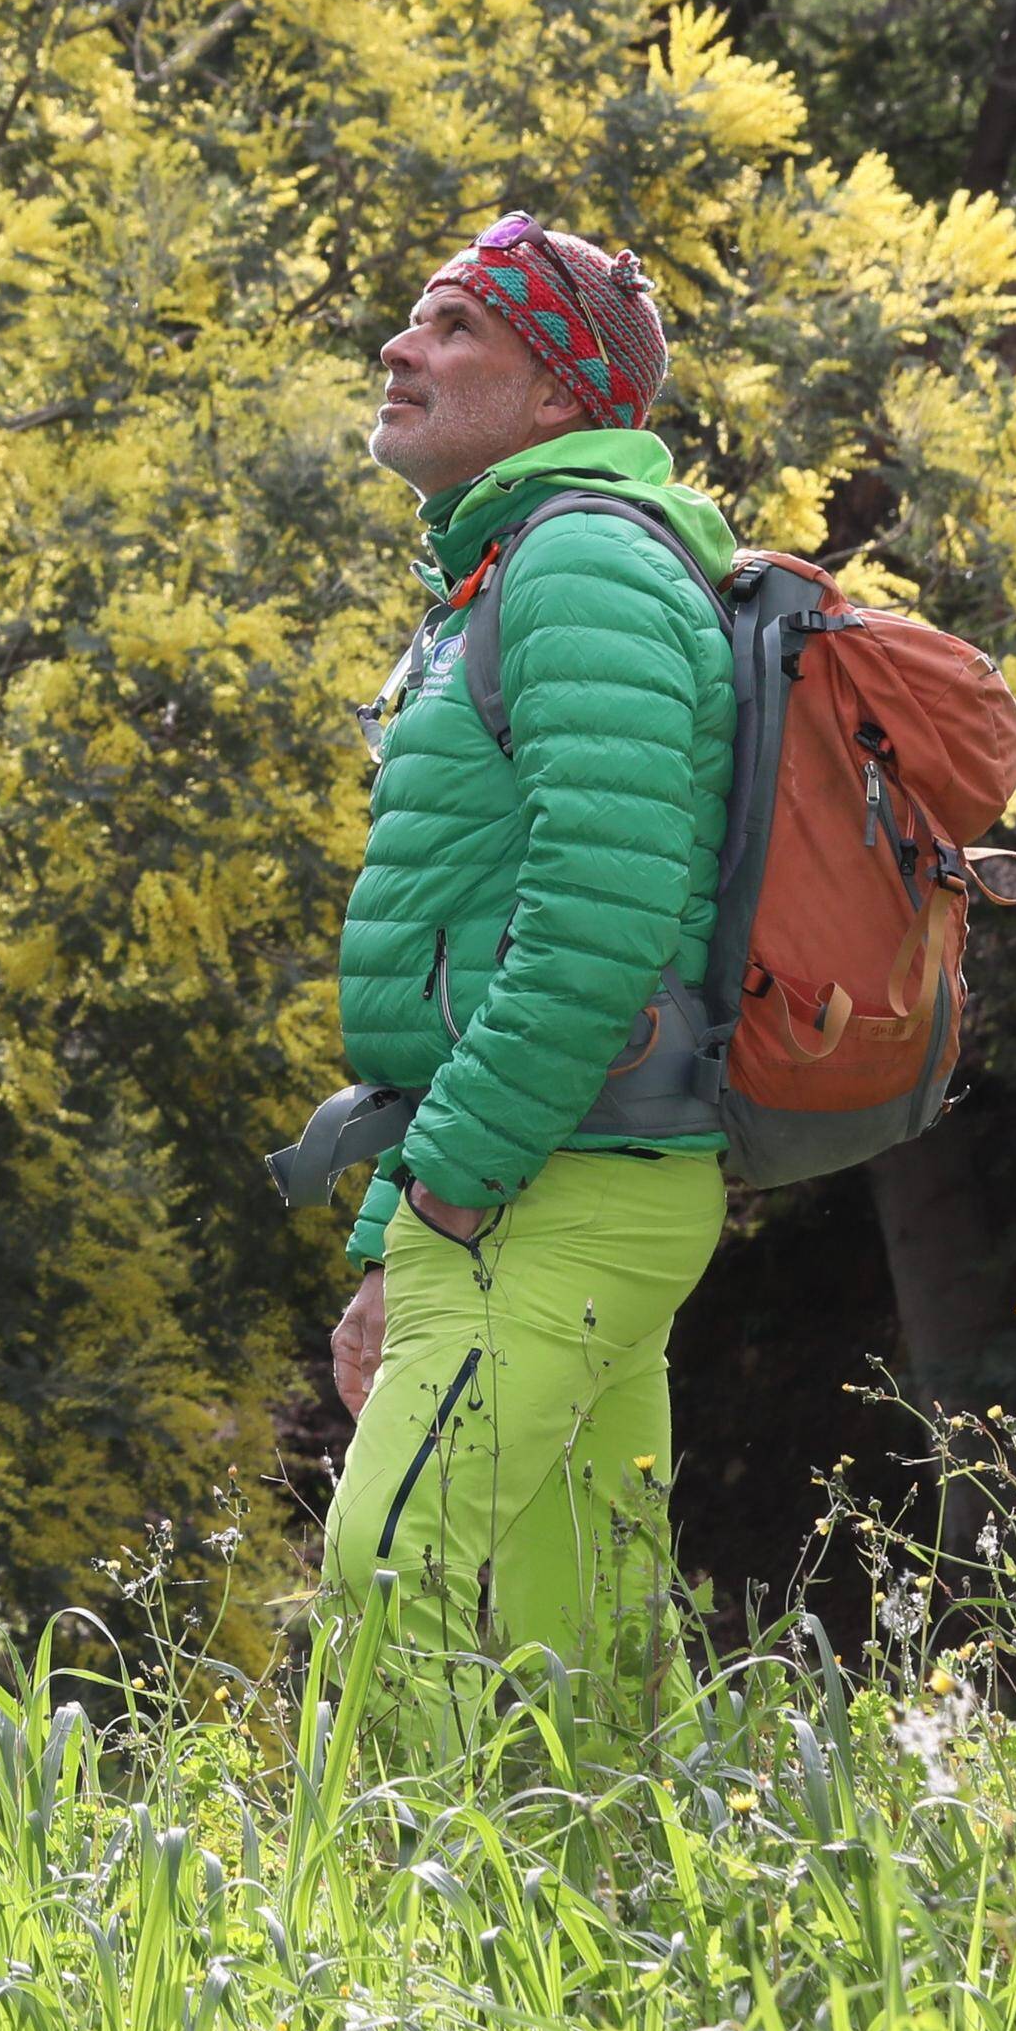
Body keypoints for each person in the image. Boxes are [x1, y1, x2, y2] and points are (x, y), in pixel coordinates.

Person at [307, 213, 736, 1752]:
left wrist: (450, 1192)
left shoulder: (581, 571)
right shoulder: (515, 574)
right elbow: (468, 962)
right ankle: (632, 1953)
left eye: (451, 327)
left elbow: (595, 922)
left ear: (561, 393)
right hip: (558, 1170)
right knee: (585, 1635)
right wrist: (386, 1242)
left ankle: (395, 1963)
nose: (398, 348)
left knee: (386, 1569)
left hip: (555, 1176)